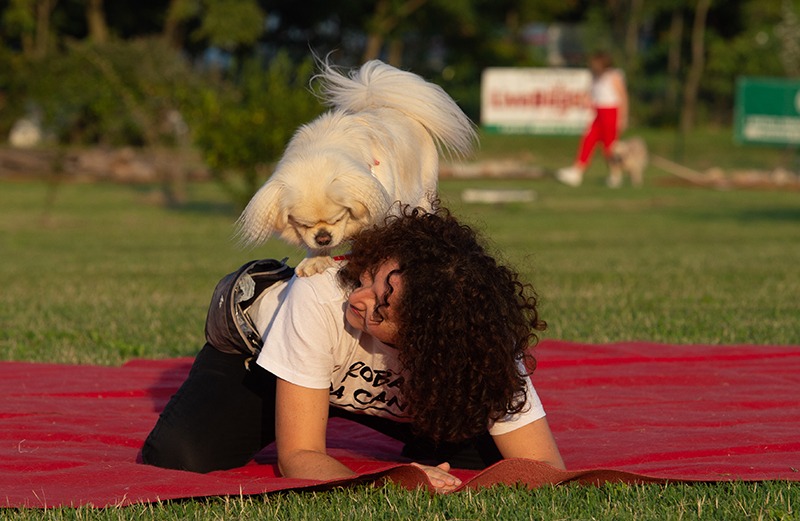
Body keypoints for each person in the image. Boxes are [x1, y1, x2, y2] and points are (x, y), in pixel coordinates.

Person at [141, 203, 564, 492]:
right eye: (371, 278)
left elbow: (545, 469)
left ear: (428, 340)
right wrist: (392, 481)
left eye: (381, 310)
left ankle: (425, 443)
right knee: (179, 456)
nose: (358, 300)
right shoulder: (323, 297)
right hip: (262, 358)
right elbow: (300, 456)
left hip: (403, 384)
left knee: (485, 463)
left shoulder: (479, 346)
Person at [557, 50, 629, 187]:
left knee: (609, 147)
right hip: (598, 113)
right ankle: (577, 172)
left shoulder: (613, 76)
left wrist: (623, 118)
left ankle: (615, 175)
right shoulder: (594, 77)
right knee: (588, 139)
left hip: (611, 113)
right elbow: (590, 94)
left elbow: (623, 97)